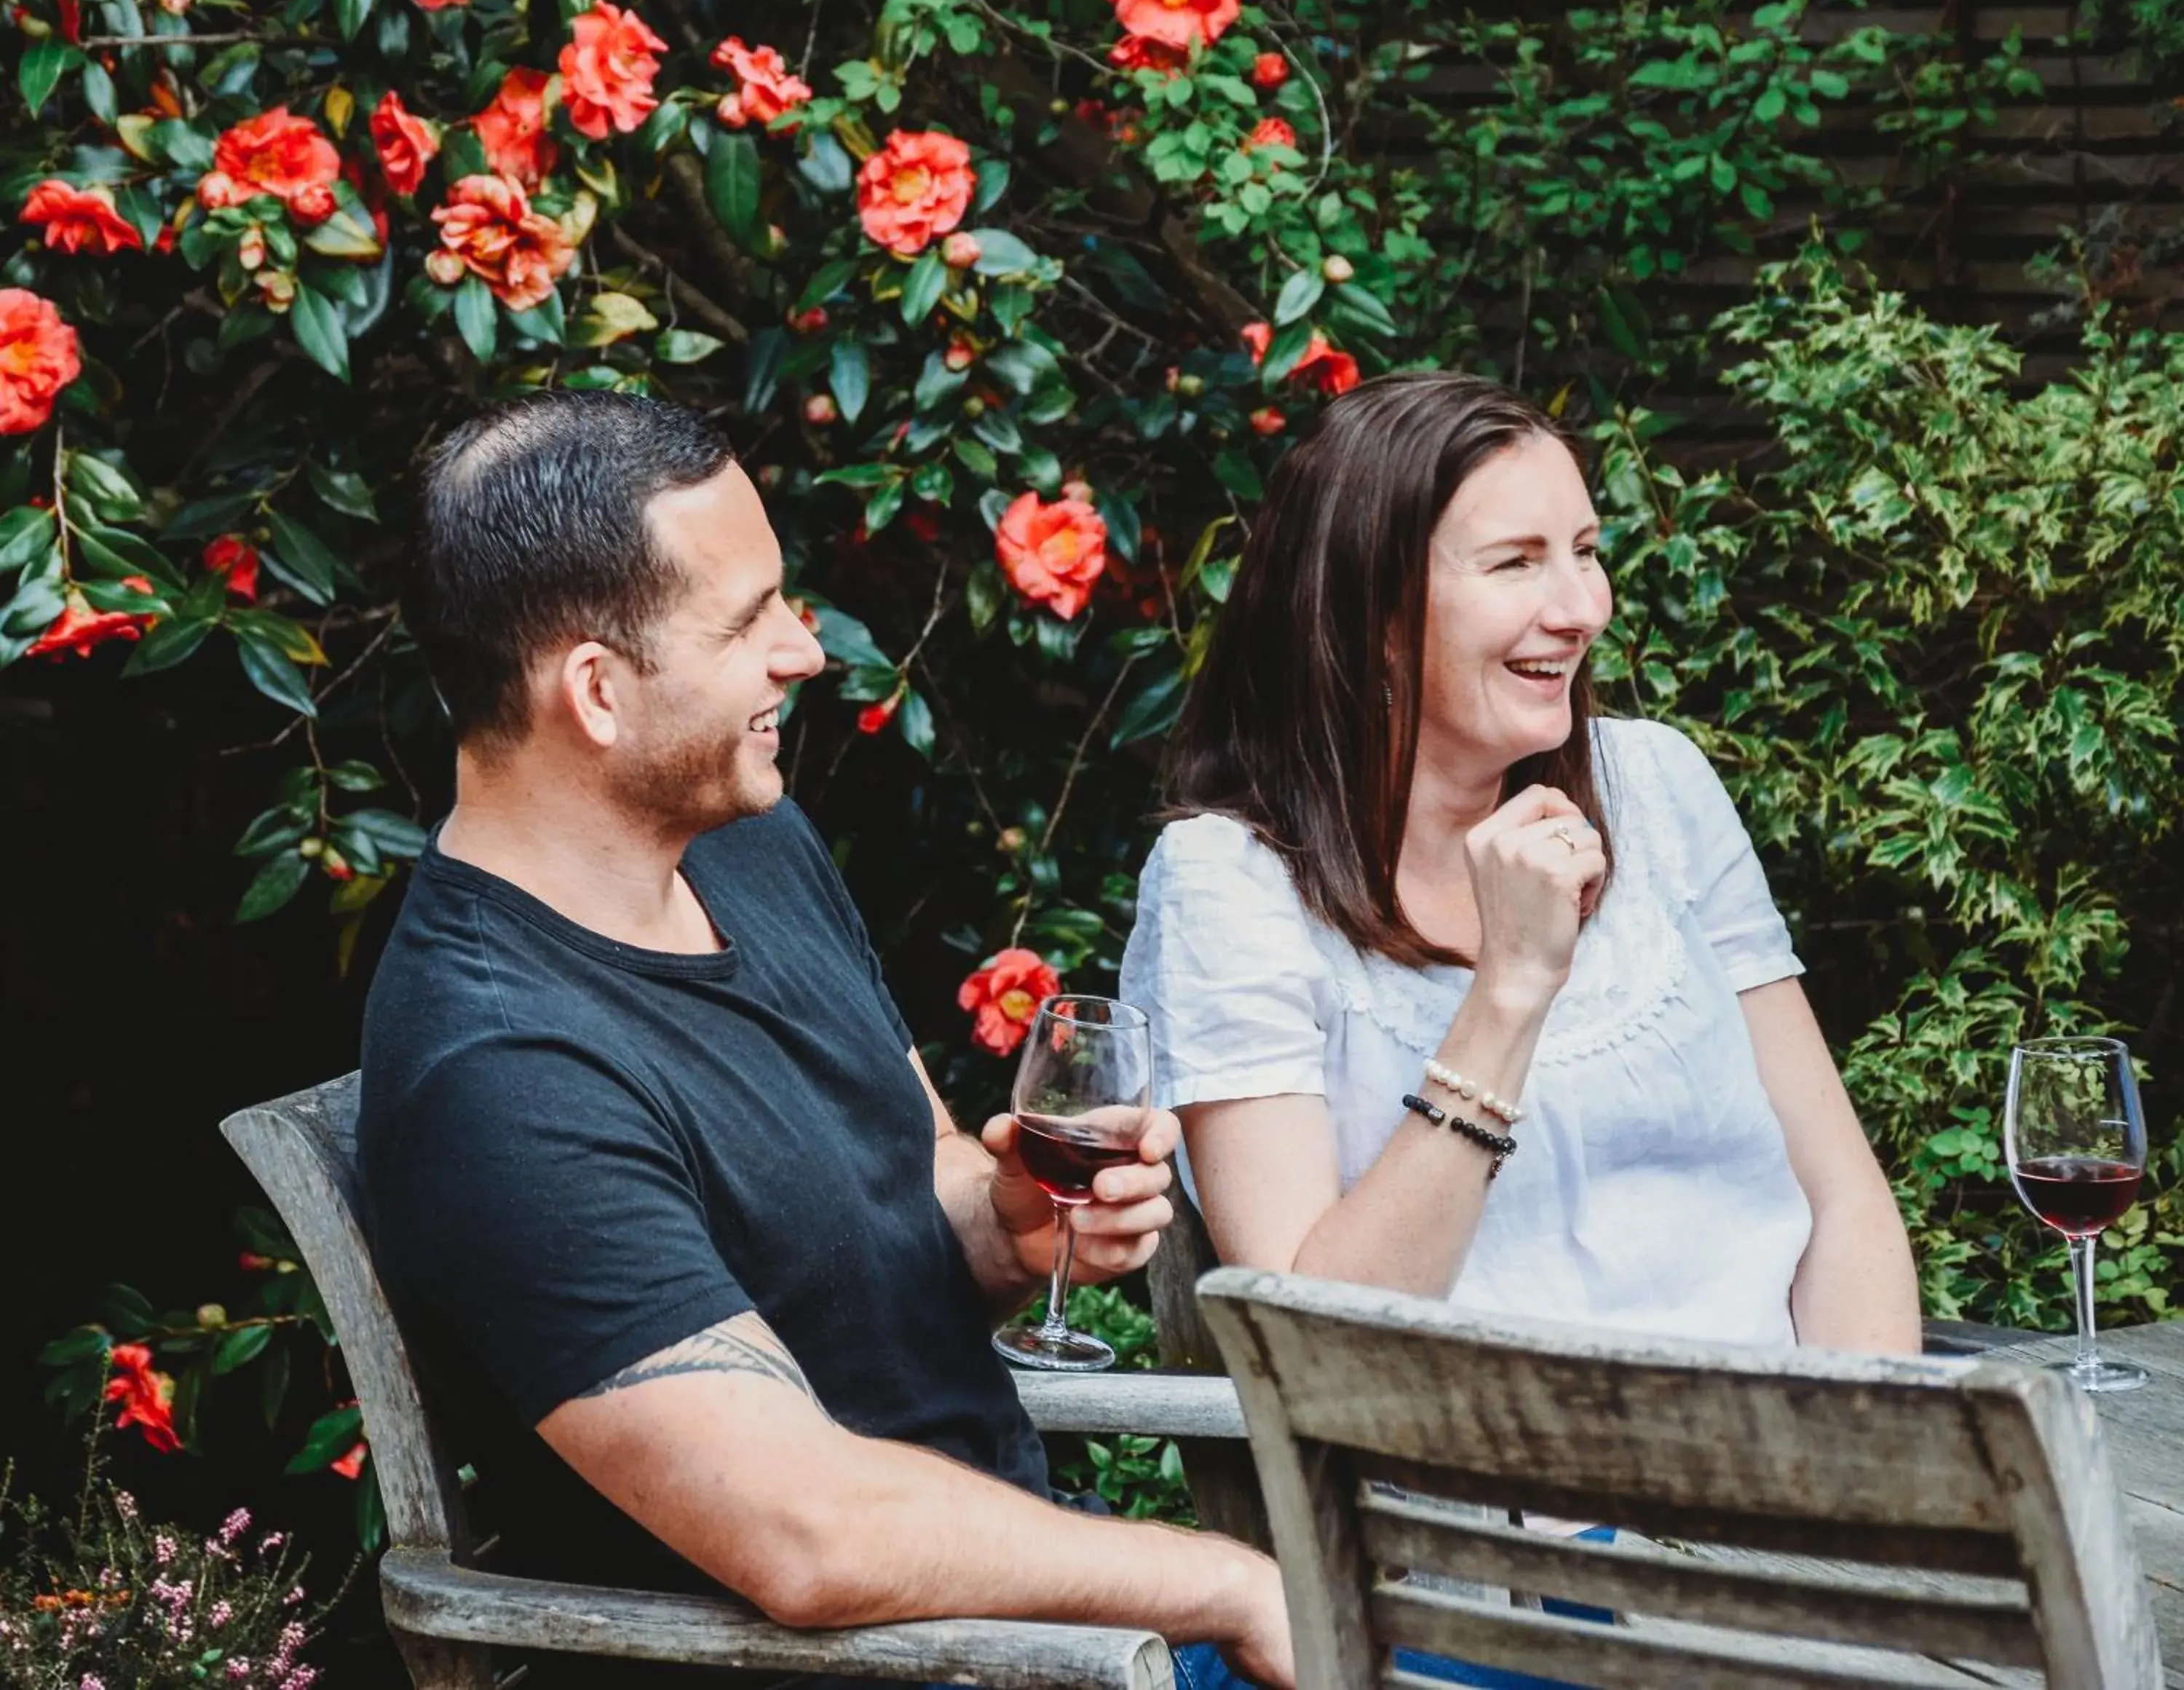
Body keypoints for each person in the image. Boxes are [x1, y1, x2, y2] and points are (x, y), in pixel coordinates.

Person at [355, 391, 1292, 1690]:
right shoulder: (501, 1075)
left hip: (1049, 1645)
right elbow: (805, 1533)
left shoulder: (743, 839)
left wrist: (1005, 1222)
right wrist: (1232, 1584)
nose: (803, 650)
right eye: (748, 620)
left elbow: (920, 1171)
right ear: (597, 690)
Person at [1119, 371, 1920, 1357]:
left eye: (1586, 552)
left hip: (1783, 1469)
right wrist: (1508, 992)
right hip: (1471, 1497)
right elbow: (1313, 1341)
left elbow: (1842, 1202)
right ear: (1372, 613)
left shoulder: (1656, 786)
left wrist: (1879, 1480)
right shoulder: (1231, 883)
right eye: (1517, 564)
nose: (1583, 608)